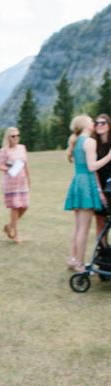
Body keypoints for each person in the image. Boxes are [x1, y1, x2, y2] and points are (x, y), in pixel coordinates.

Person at [64, 114, 111, 272]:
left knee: (78, 227)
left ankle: (73, 259)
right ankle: (79, 263)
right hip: (86, 184)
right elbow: (92, 167)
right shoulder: (89, 141)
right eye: (92, 121)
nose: (94, 123)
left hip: (78, 181)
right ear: (85, 125)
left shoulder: (77, 141)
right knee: (84, 228)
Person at [0, 127, 30, 244]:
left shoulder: (22, 148)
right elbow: (0, 166)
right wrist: (9, 167)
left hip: (22, 182)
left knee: (25, 206)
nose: (16, 138)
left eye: (17, 135)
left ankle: (9, 226)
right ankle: (16, 234)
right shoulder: (4, 151)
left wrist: (28, 178)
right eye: (13, 136)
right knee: (15, 207)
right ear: (8, 137)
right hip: (10, 183)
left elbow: (25, 165)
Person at [92, 114, 111, 245]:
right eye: (97, 123)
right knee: (100, 219)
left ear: (109, 125)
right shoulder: (93, 145)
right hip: (100, 185)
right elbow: (92, 169)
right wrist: (99, 190)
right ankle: (102, 250)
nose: (99, 125)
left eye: (103, 122)